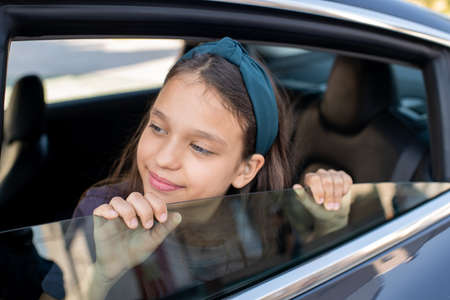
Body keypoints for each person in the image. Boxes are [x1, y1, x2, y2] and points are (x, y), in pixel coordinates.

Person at [41, 37, 353, 300]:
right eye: (158, 128)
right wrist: (101, 276)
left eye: (200, 147)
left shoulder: (270, 218)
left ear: (246, 170)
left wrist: (330, 224)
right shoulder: (106, 215)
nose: (164, 158)